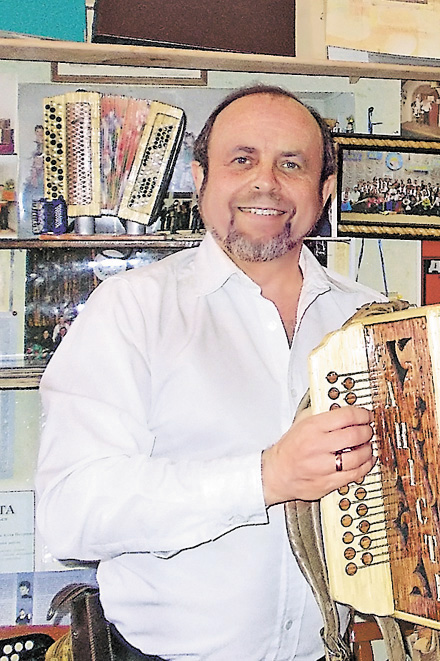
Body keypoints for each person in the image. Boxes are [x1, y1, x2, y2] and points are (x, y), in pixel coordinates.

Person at [35, 85, 384, 660]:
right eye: (241, 159)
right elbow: (72, 511)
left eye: (291, 164)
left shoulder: (369, 318)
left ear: (323, 193)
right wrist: (264, 478)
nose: (266, 182)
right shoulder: (132, 309)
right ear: (201, 180)